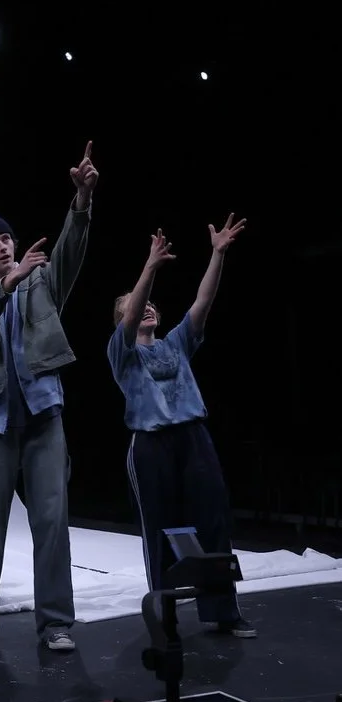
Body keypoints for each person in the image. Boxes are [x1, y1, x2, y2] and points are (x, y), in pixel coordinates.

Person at [0, 142, 98, 653]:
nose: (5, 246)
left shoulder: (40, 281)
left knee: (52, 520)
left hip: (43, 418)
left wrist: (80, 201)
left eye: (8, 237)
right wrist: (2, 287)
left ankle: (55, 621)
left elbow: (70, 254)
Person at [106, 216, 255, 638]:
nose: (146, 306)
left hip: (192, 438)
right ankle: (166, 617)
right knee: (160, 530)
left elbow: (203, 301)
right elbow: (134, 309)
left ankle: (223, 611)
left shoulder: (175, 342)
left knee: (213, 523)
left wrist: (218, 254)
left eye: (152, 303)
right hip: (151, 445)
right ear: (124, 320)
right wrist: (149, 269)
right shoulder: (122, 354)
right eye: (136, 306)